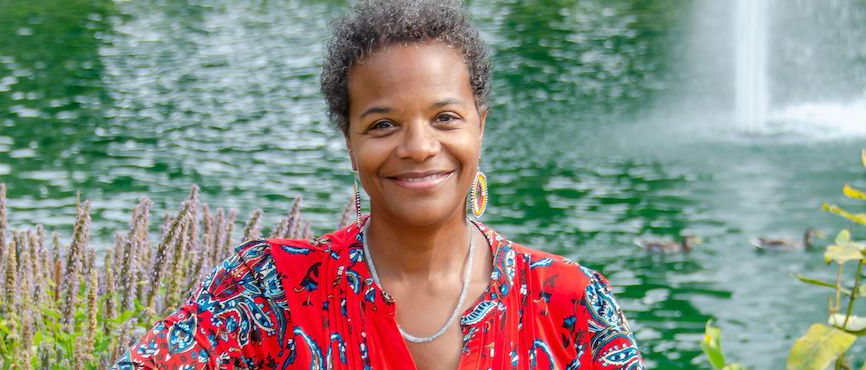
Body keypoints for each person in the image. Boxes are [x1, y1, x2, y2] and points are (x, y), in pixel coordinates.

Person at [114, 0, 644, 368]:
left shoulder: (568, 303)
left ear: (480, 124)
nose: (417, 147)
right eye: (383, 124)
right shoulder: (269, 290)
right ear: (349, 141)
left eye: (445, 117)